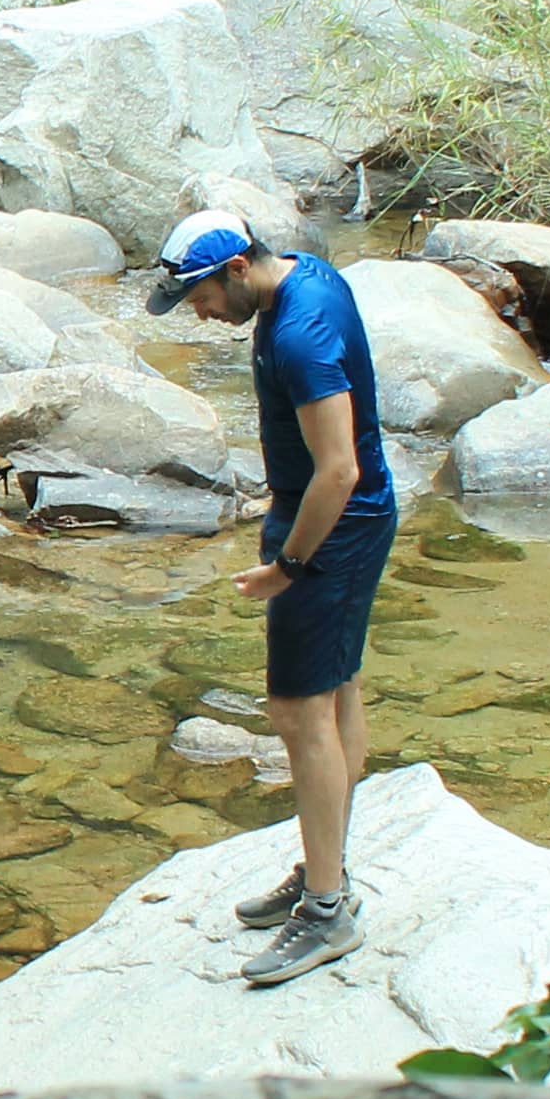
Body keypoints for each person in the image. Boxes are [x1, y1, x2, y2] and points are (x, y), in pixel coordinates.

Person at [147, 207, 398, 986]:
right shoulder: (304, 278)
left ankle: (326, 912)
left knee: (295, 712)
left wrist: (288, 564)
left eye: (200, 296)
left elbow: (340, 470)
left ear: (237, 269)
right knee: (336, 694)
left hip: (335, 528)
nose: (200, 313)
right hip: (329, 518)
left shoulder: (299, 331)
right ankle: (330, 869)